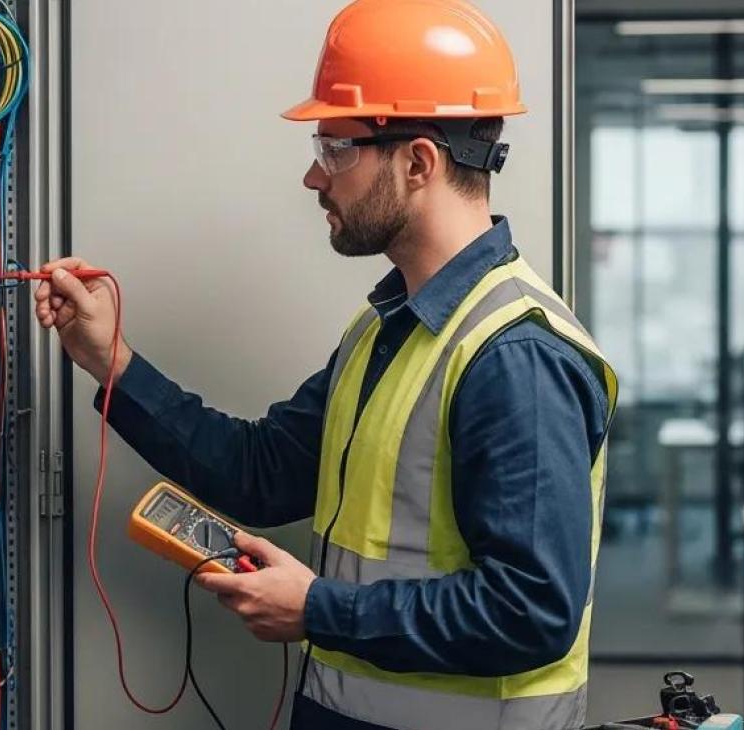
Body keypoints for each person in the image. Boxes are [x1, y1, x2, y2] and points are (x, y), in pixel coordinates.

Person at [34, 1, 617, 728]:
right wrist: (111, 361)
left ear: (418, 162)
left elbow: (530, 610)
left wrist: (318, 609)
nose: (315, 176)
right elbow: (262, 472)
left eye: (337, 148)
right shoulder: (389, 327)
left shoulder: (515, 357)